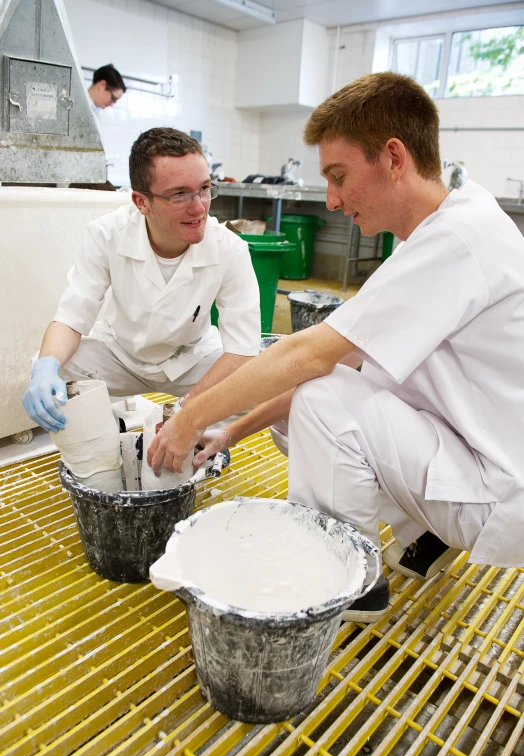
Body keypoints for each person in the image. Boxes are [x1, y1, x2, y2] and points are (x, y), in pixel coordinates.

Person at [146, 72, 524, 623]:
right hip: (479, 454)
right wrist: (229, 431)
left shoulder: (456, 242)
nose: (332, 198)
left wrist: (189, 416)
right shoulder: (450, 231)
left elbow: (312, 357)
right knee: (297, 409)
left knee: (321, 403)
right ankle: (422, 535)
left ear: (394, 157)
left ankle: (349, 583)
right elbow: (345, 361)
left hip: (495, 491)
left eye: (340, 176)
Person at [23, 128, 261, 432]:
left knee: (261, 386)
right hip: (119, 354)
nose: (199, 207)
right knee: (48, 369)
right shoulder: (106, 235)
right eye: (179, 194)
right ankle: (102, 444)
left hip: (190, 358)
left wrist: (188, 409)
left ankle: (199, 444)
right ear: (141, 202)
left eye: (203, 188)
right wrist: (46, 369)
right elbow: (71, 319)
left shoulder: (230, 249)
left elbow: (242, 351)